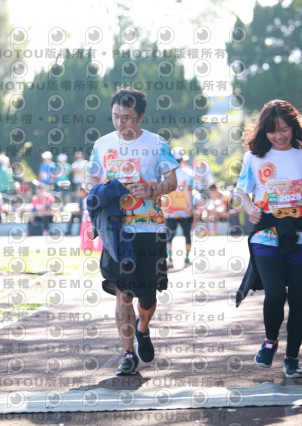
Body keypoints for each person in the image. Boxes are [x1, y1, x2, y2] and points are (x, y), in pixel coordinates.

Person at [231, 99, 302, 379]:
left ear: (293, 127)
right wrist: (250, 208)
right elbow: (240, 192)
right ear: (263, 131)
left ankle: (292, 357)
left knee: (298, 299)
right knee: (275, 293)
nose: (278, 135)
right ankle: (270, 341)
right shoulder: (253, 157)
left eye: (284, 129)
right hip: (266, 234)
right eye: (272, 130)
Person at [85, 88, 178, 376]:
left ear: (140, 117)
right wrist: (101, 193)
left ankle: (143, 327)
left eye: (127, 117)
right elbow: (91, 180)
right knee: (123, 293)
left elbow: (172, 181)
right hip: (116, 229)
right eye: (115, 116)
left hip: (150, 228)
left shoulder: (156, 143)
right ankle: (127, 353)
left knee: (147, 296)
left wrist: (152, 190)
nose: (120, 122)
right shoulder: (102, 144)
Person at [162, 147, 194, 268]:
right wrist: (190, 207)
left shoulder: (165, 175)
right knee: (187, 234)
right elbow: (189, 193)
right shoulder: (187, 174)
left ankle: (170, 259)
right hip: (185, 210)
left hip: (170, 211)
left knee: (169, 236)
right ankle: (186, 258)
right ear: (182, 160)